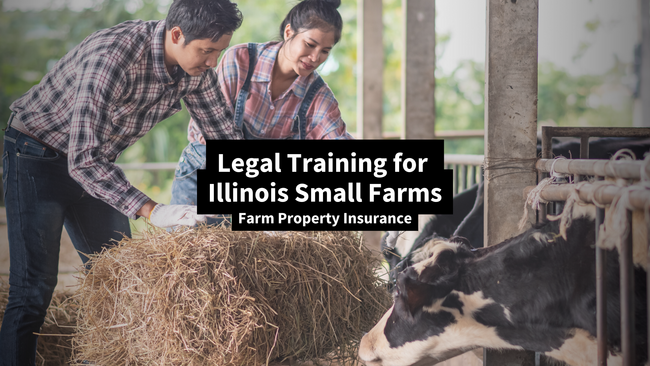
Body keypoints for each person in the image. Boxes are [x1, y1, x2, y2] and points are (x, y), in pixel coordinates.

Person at [0, 0, 244, 363]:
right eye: (207, 51)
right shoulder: (114, 56)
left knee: (119, 279)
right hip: (36, 156)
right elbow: (82, 158)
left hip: (98, 168)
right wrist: (153, 210)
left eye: (218, 52)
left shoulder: (194, 71)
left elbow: (224, 137)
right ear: (176, 34)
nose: (212, 62)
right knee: (33, 289)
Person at [170, 0, 353, 225]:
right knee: (191, 258)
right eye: (309, 44)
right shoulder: (240, 61)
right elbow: (208, 135)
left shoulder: (318, 96)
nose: (315, 57)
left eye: (325, 51)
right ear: (289, 32)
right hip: (202, 183)